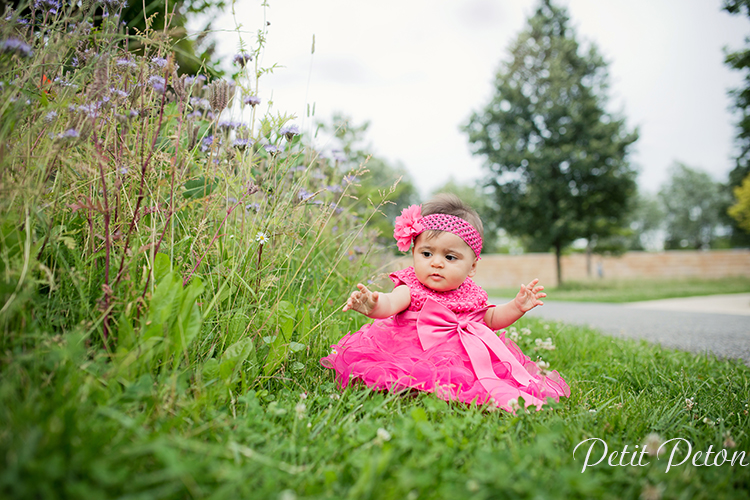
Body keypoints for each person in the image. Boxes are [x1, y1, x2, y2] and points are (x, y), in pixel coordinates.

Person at [320, 194, 569, 412]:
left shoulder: (471, 294)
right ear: (414, 252)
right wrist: (373, 305)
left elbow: (490, 320)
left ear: (471, 267)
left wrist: (516, 307)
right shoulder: (411, 287)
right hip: (411, 352)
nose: (436, 263)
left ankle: (460, 397)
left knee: (476, 379)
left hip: (460, 356)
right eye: (427, 253)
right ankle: (413, 391)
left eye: (450, 257)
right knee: (408, 375)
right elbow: (390, 303)